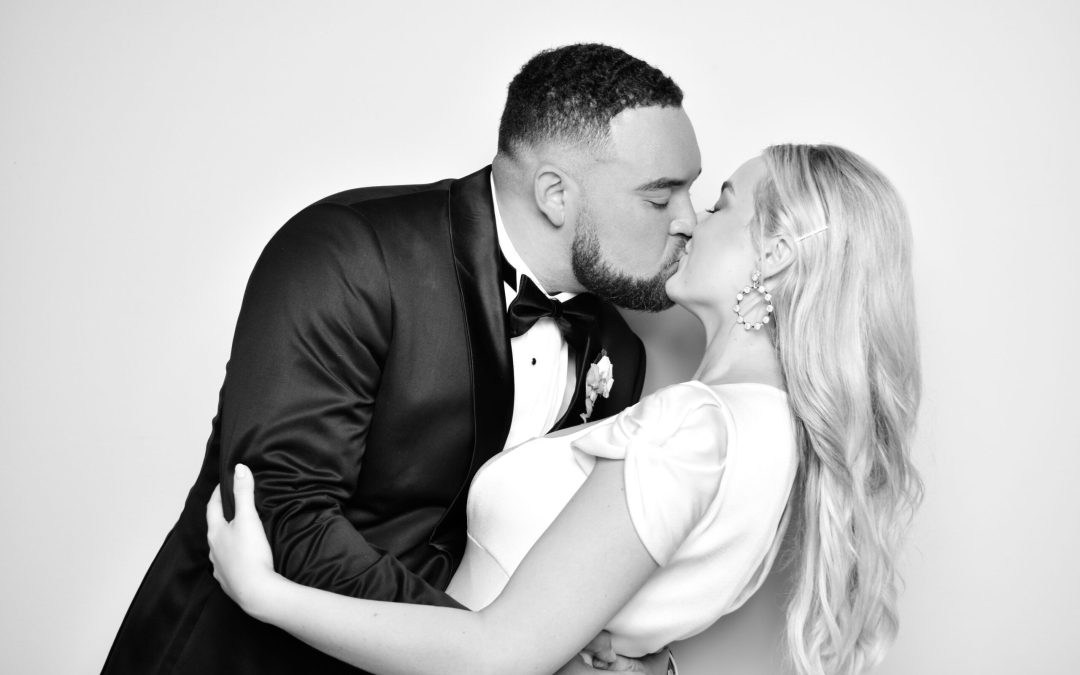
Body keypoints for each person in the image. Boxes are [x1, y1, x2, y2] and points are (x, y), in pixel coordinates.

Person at [207, 144, 924, 675]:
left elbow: (499, 654)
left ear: (774, 255)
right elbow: (615, 619)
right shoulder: (774, 437)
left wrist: (267, 595)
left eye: (721, 203)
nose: (689, 221)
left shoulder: (694, 425)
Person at [102, 44, 698, 674]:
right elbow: (282, 517)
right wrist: (494, 650)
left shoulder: (618, 353)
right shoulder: (348, 253)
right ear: (554, 194)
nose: (689, 220)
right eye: (661, 198)